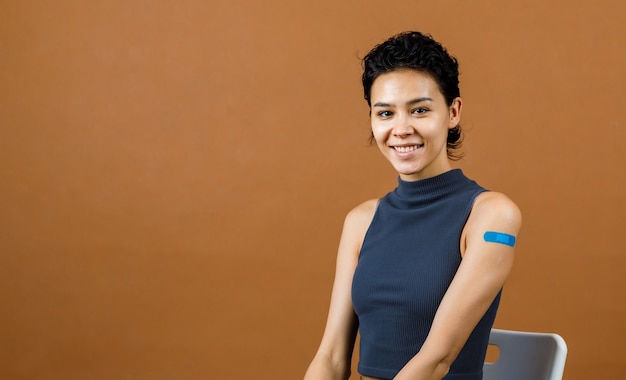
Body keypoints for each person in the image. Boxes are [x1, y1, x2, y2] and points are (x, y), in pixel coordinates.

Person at [303, 31, 521, 380]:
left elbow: (436, 360)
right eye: (385, 113)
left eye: (419, 110)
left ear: (453, 112)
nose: (401, 129)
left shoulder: (492, 215)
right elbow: (330, 357)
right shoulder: (362, 220)